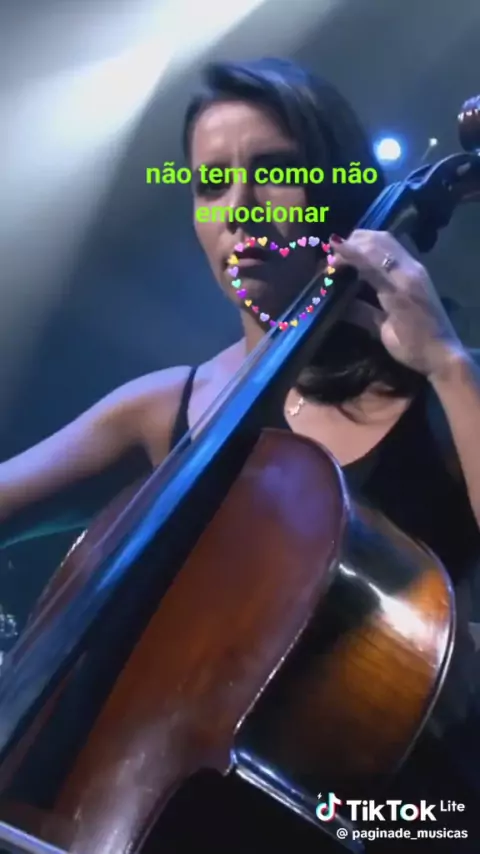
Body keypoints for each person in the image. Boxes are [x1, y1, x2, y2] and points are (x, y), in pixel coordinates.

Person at [1, 57, 480, 852]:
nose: (239, 208)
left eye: (274, 172)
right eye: (211, 183)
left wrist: (446, 363)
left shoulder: (449, 385)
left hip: (397, 821)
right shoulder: (167, 406)